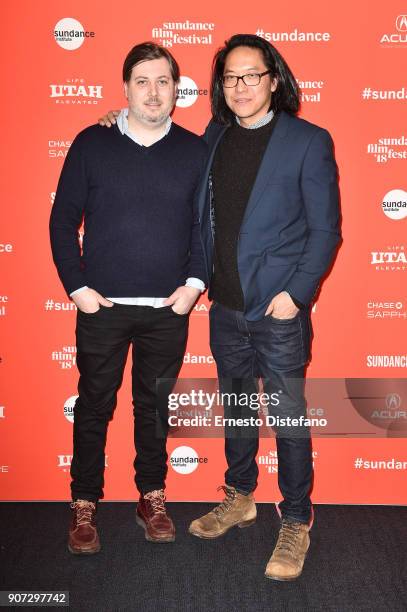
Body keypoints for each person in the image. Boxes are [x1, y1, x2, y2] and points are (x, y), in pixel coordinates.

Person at [99, 33, 341, 581]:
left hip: (277, 311)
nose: (240, 86)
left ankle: (297, 518)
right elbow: (160, 139)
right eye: (230, 77)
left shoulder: (307, 141)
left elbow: (326, 230)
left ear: (274, 80)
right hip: (225, 307)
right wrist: (119, 119)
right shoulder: (213, 136)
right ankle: (241, 496)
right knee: (236, 409)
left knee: (287, 418)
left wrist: (294, 297)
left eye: (251, 75)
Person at [50, 42, 207, 554]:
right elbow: (61, 220)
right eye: (142, 81)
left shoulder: (194, 150)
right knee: (94, 405)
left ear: (177, 90)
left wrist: (193, 286)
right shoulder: (91, 143)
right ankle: (84, 503)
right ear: (125, 89)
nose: (153, 91)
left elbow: (208, 226)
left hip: (167, 310)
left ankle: (152, 496)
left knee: (154, 407)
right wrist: (77, 288)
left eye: (164, 81)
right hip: (104, 309)